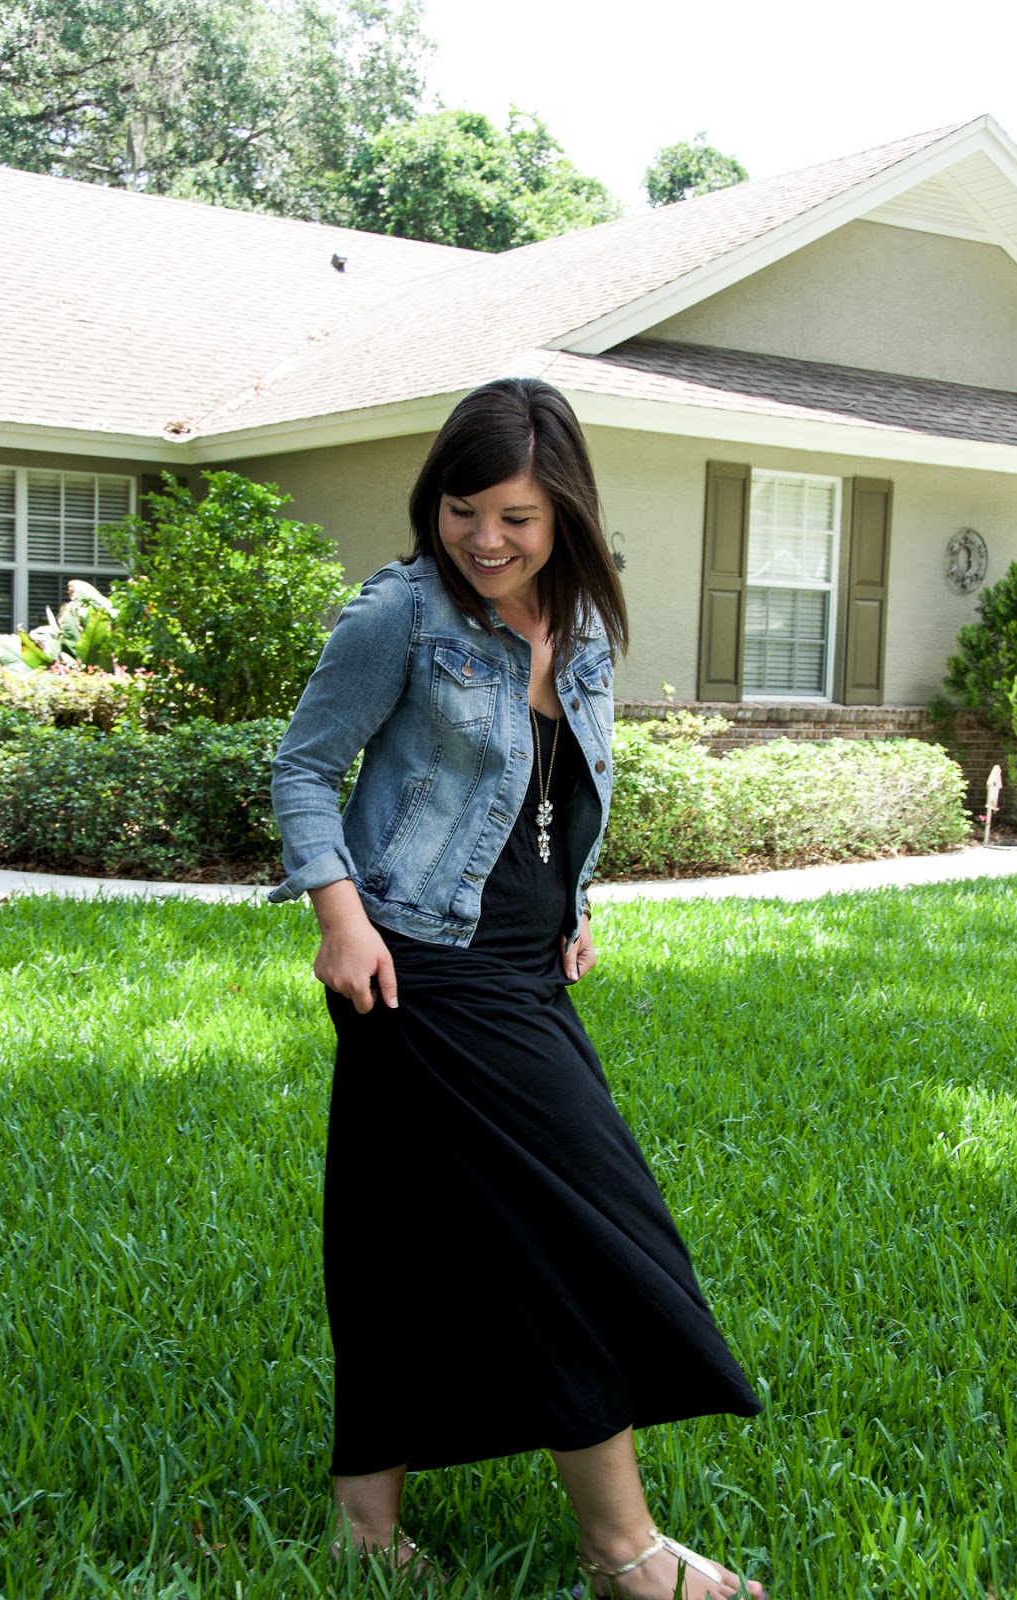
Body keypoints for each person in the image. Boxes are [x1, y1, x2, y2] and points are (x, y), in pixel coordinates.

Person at [269, 378, 766, 1600]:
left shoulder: (584, 630)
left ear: (567, 520)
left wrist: (572, 904)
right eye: (461, 508)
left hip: (520, 969)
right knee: (582, 1237)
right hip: (416, 968)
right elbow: (302, 766)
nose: (483, 539)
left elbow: (557, 789)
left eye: (516, 519)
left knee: (397, 1239)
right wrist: (338, 917)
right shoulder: (401, 614)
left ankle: (363, 1524)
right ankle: (623, 1552)